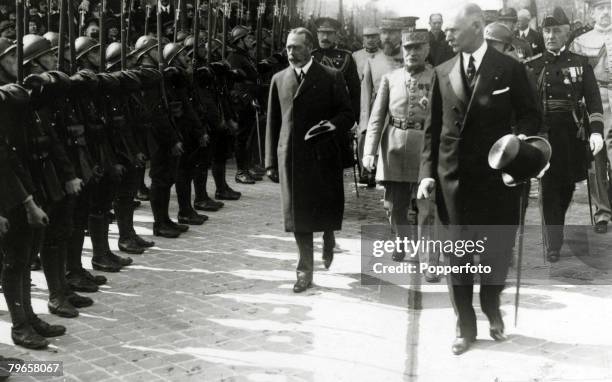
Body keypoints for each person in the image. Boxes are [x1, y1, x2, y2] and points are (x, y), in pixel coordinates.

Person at [417, 3, 540, 355]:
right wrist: (427, 175)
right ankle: (464, 325)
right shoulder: (441, 72)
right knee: (457, 256)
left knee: (496, 253)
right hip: (452, 180)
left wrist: (516, 146)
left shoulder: (510, 69)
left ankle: (491, 306)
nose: (446, 34)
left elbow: (532, 117)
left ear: (475, 26)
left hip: (497, 181)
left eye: (453, 29)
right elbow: (432, 131)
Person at [265, 27, 353, 293]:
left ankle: (328, 236)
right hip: (291, 156)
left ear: (310, 48)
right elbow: (273, 122)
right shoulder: (279, 79)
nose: (291, 52)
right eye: (288, 47)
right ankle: (305, 270)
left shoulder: (331, 76)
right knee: (297, 215)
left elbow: (347, 114)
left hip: (322, 155)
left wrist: (331, 126)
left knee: (325, 207)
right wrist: (270, 160)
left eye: (297, 47)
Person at [525, 7, 605, 261]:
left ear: (567, 33)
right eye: (547, 31)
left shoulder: (580, 64)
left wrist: (596, 132)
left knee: (568, 186)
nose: (550, 36)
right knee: (549, 188)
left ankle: (555, 227)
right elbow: (525, 106)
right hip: (545, 135)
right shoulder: (533, 66)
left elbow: (593, 100)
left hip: (572, 135)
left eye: (556, 31)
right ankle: (553, 243)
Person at [362, 29, 439, 281]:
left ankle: (429, 262)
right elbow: (377, 117)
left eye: (418, 48)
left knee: (426, 208)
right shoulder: (390, 78)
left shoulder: (437, 77)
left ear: (426, 49)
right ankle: (403, 241)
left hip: (424, 150)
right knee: (396, 208)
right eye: (408, 48)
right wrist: (369, 151)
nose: (412, 53)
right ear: (402, 50)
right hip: (393, 147)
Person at [570, 0, 612, 233]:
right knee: (597, 158)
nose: (605, 12)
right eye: (600, 8)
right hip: (595, 102)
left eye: (609, 6)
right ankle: (602, 213)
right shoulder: (581, 42)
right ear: (592, 12)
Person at [358, 18, 407, 187]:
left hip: (403, 119)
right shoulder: (372, 61)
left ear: (400, 35)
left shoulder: (410, 57)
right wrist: (364, 126)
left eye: (392, 33)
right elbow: (365, 96)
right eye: (384, 33)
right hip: (380, 117)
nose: (387, 37)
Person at [227, 25, 261, 184]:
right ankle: (241, 171)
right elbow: (234, 83)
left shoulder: (244, 56)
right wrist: (247, 98)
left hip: (249, 99)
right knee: (242, 137)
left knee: (248, 136)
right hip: (242, 102)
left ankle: (247, 168)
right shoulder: (234, 57)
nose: (251, 40)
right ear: (239, 41)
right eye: (247, 38)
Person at [312, 17, 360, 122]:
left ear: (335, 35)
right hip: (312, 114)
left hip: (337, 115)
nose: (325, 37)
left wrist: (353, 119)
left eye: (329, 33)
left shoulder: (346, 57)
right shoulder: (310, 56)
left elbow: (355, 92)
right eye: (322, 33)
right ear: (317, 34)